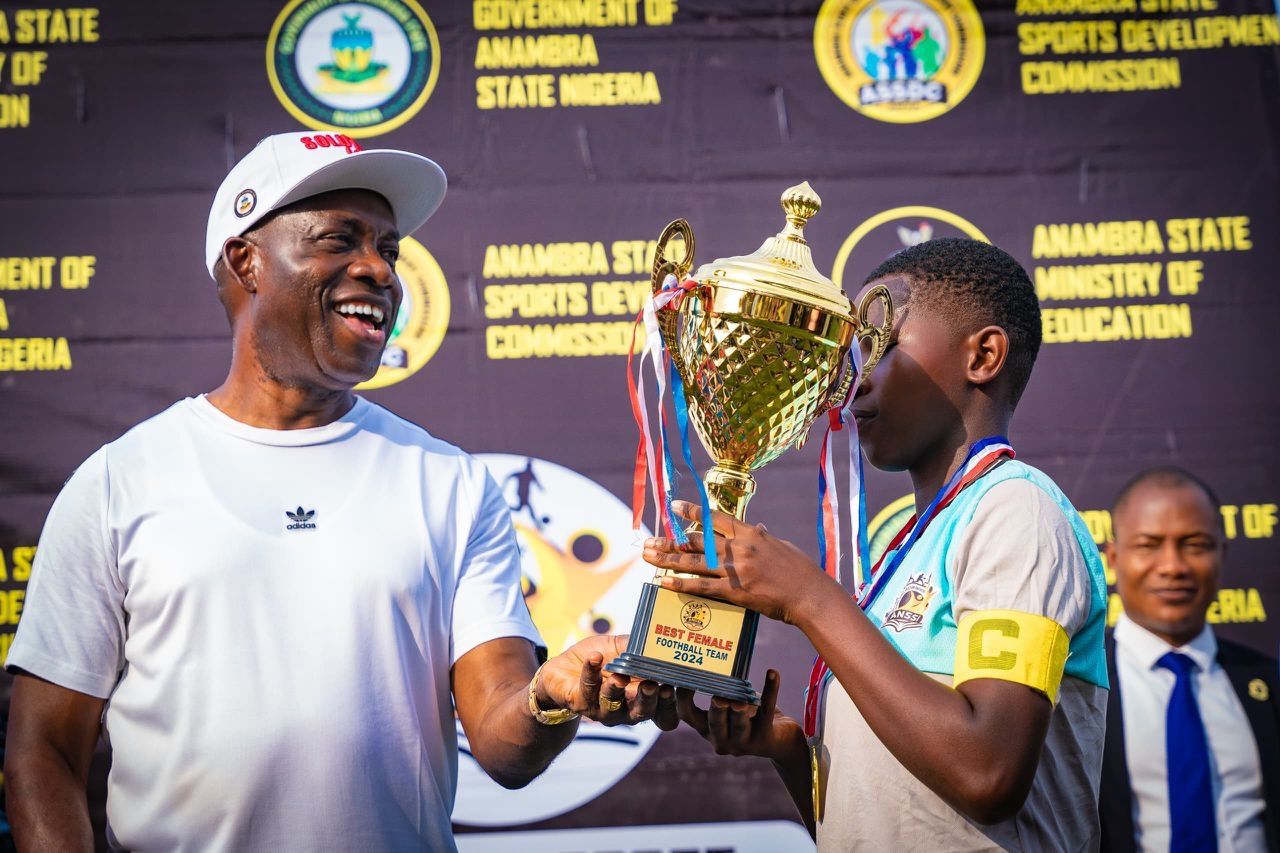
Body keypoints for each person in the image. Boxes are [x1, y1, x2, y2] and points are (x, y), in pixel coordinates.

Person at [3, 131, 665, 852]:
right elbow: (42, 754)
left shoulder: (450, 482)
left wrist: (550, 696)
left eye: (388, 248)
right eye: (339, 239)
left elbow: (503, 744)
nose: (378, 269)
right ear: (245, 260)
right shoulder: (118, 482)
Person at [647, 237, 1110, 850]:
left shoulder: (1017, 511)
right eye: (852, 353)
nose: (853, 379)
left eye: (881, 347)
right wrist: (788, 750)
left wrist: (809, 597)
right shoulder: (911, 544)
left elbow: (988, 773)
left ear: (984, 356)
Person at [1100, 467, 1280, 852]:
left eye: (1194, 544)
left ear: (1221, 554)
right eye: (1149, 545)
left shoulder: (1267, 680)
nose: (1173, 567)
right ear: (1114, 558)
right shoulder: (1077, 685)